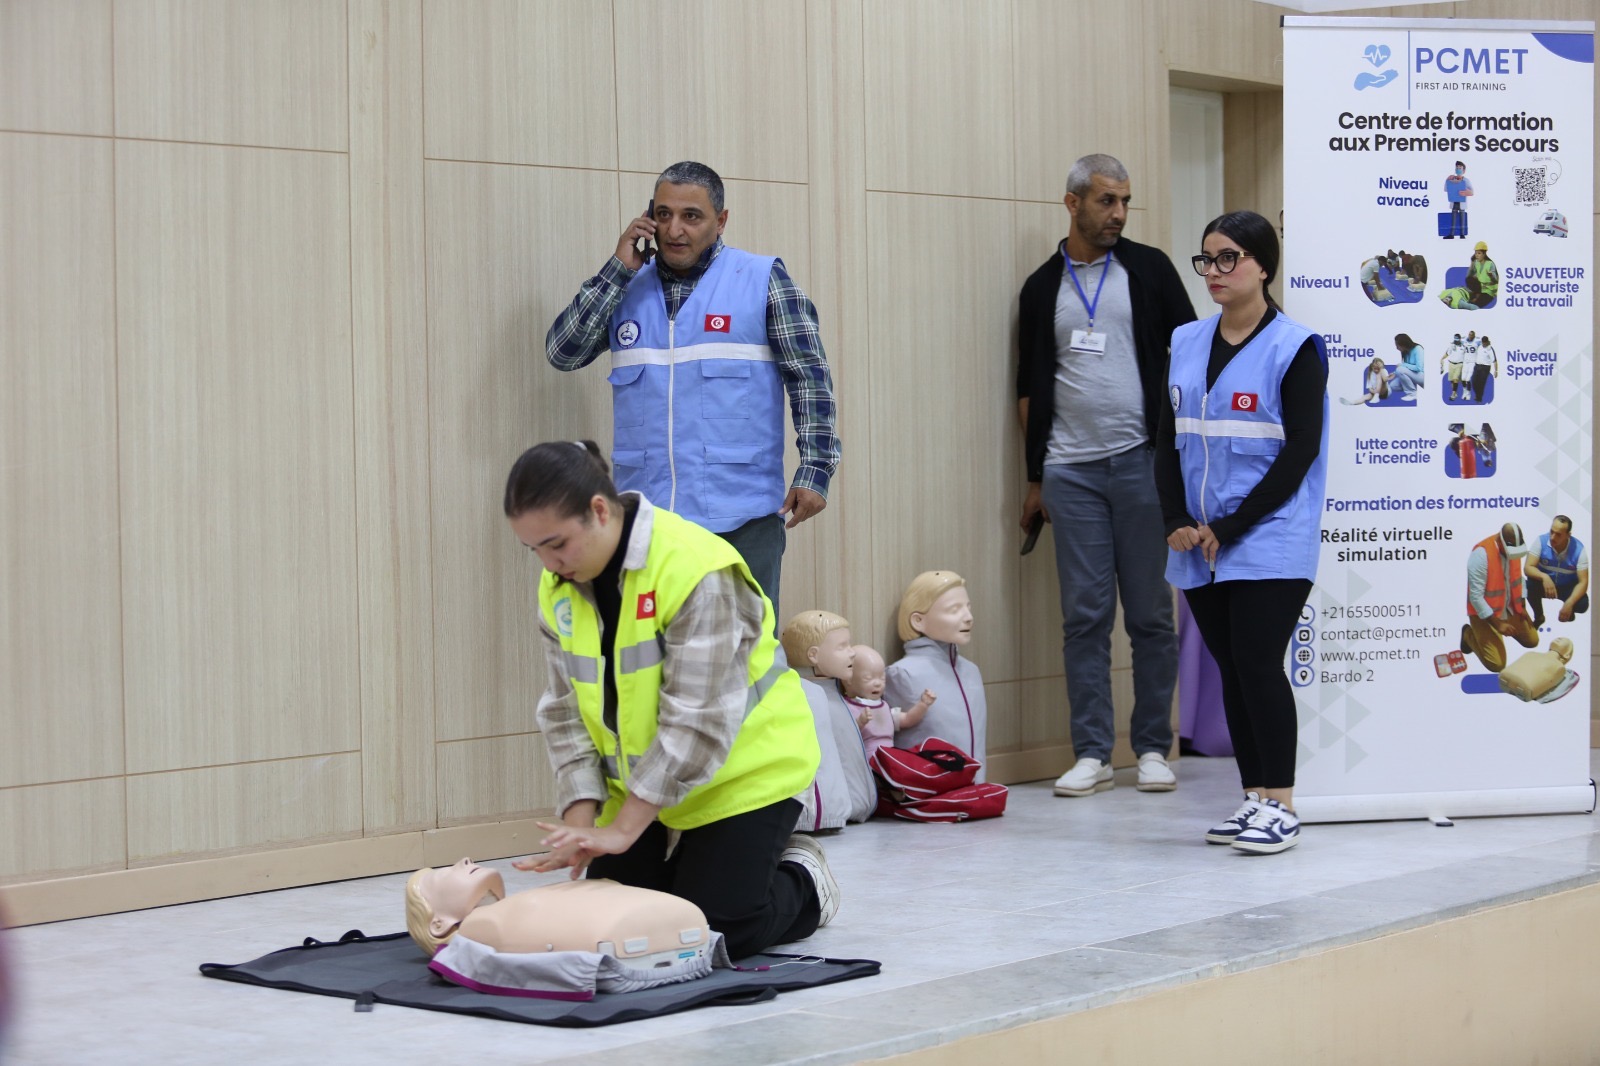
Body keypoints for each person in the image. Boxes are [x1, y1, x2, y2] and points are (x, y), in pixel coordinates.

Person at [504, 440, 837, 959]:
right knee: (623, 926)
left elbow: (696, 722)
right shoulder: (559, 584)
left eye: (557, 544)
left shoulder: (695, 569)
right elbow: (565, 712)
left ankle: (806, 877)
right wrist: (582, 827)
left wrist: (624, 830)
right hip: (648, 783)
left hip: (744, 773)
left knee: (713, 930)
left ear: (599, 510)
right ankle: (696, 862)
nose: (549, 563)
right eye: (535, 551)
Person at [544, 161, 841, 614]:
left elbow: (810, 378)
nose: (674, 229)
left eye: (691, 216)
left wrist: (815, 470)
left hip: (740, 521)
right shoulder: (625, 288)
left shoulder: (761, 280)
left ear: (721, 221)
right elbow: (563, 352)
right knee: (650, 652)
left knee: (744, 652)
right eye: (663, 214)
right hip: (647, 522)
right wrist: (616, 270)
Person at [1015, 153, 1192, 799]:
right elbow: (1029, 389)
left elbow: (1191, 358)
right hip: (1071, 472)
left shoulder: (1149, 269)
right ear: (1073, 204)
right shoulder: (1042, 287)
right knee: (1084, 617)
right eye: (1106, 201)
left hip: (1143, 463)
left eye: (1124, 201)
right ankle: (1091, 752)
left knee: (1150, 614)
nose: (1118, 213)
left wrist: (1182, 460)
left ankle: (1152, 748)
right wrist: (1035, 478)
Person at [1156, 210, 1329, 855]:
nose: (1214, 271)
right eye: (1207, 259)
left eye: (1229, 258)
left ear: (1262, 266)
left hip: (1269, 535)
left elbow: (1300, 451)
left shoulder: (1296, 347)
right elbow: (1166, 438)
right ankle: (1254, 796)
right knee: (1231, 668)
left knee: (1258, 663)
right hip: (1199, 540)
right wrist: (1175, 518)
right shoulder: (1185, 340)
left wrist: (1231, 525)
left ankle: (1282, 804)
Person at [1462, 522, 1539, 673]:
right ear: (1501, 541)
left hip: (1508, 608)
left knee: (1532, 641)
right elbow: (1476, 597)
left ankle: (1499, 633)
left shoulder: (1514, 549)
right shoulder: (1481, 555)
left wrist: (1522, 606)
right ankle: (1468, 634)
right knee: (1497, 665)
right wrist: (1498, 625)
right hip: (1484, 615)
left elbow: (1519, 579)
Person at [842, 645, 935, 762]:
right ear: (849, 680)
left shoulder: (884, 707)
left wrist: (923, 704)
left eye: (882, 678)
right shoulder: (847, 707)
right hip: (868, 763)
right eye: (868, 678)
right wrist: (860, 723)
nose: (878, 683)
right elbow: (844, 737)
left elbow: (907, 719)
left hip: (890, 760)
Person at [1525, 515, 1590, 627]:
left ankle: (1568, 611)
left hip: (1566, 587)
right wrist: (1544, 577)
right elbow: (1528, 568)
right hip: (1545, 585)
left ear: (1568, 535)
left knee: (1583, 605)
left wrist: (1569, 603)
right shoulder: (1541, 541)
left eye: (1558, 534)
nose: (1552, 537)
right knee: (1527, 586)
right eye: (1551, 531)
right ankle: (1539, 616)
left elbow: (1583, 582)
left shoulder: (1579, 550)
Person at [1444, 161, 1473, 238]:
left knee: (1462, 218)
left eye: (1460, 168)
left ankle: (1462, 234)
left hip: (1462, 202)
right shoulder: (1452, 179)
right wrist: (1447, 180)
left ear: (1464, 170)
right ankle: (1452, 234)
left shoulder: (1466, 181)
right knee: (1453, 218)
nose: (1458, 169)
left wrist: (1466, 192)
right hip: (1454, 201)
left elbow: (1472, 192)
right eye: (1457, 168)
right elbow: (1446, 189)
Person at [1392, 334, 1424, 399]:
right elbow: (1407, 369)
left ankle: (1412, 394)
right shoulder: (1406, 352)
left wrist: (1402, 365)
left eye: (1397, 345)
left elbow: (1419, 368)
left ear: (1404, 344)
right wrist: (1394, 373)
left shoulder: (1418, 349)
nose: (1397, 348)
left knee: (1400, 369)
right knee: (1393, 386)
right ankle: (1414, 389)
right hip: (1413, 376)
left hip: (1422, 376)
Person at [1469, 333, 1498, 403]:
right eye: (1483, 342)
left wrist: (1496, 371)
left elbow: (1494, 360)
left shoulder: (1490, 349)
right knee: (1473, 381)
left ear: (1487, 342)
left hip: (1485, 367)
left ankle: (1479, 398)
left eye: (1485, 343)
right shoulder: (1479, 346)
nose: (1484, 344)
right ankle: (1477, 394)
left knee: (1481, 383)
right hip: (1477, 366)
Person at [1441, 332, 1467, 400]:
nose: (1456, 340)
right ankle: (1455, 393)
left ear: (1460, 339)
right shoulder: (1451, 346)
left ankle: (1453, 394)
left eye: (1457, 339)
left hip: (1459, 364)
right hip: (1451, 364)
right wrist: (1442, 358)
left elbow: (1467, 356)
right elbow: (1447, 353)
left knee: (1455, 378)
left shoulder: (1463, 347)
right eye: (1455, 339)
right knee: (1451, 380)